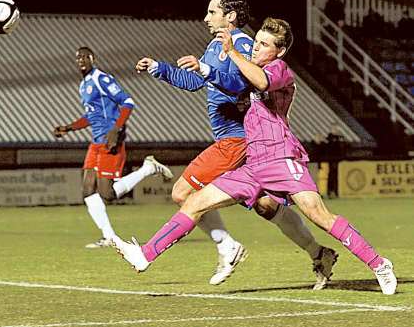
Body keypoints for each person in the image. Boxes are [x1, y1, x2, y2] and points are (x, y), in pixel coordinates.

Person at [116, 18, 397, 295]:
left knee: (318, 215)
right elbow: (227, 81)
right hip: (253, 164)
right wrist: (197, 67)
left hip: (281, 159)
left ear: (280, 51)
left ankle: (379, 264)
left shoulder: (280, 70)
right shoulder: (248, 71)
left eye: (264, 45)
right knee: (194, 202)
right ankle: (145, 254)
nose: (256, 48)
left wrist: (233, 52)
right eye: (257, 42)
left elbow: (261, 82)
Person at [135, 0, 338, 290]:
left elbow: (240, 85)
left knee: (182, 193)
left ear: (229, 16)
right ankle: (319, 253)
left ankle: (227, 247)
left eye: (212, 12)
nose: (206, 18)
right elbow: (195, 82)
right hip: (240, 141)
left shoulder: (243, 45)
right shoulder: (216, 45)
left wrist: (207, 68)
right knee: (266, 205)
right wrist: (160, 69)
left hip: (238, 138)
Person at [53, 46, 174, 248]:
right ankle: (109, 237)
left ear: (93, 58)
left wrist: (116, 130)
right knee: (86, 190)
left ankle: (148, 168)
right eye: (78, 57)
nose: (81, 60)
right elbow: (92, 116)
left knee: (107, 194)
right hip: (96, 142)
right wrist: (69, 128)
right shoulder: (84, 85)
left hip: (111, 141)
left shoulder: (102, 79)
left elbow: (128, 102)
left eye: (85, 56)